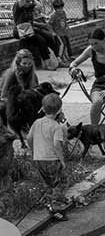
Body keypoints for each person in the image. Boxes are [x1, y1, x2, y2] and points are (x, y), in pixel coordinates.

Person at [69, 28, 105, 143]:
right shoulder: (90, 50)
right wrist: (73, 69)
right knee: (97, 102)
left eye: (96, 43)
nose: (94, 46)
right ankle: (93, 134)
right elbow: (74, 62)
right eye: (91, 44)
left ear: (104, 40)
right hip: (99, 84)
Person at [26, 92, 69, 220]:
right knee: (61, 182)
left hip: (39, 158)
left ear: (43, 108)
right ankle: (56, 208)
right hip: (52, 159)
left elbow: (29, 138)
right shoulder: (56, 127)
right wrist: (62, 160)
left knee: (48, 182)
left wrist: (34, 151)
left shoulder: (37, 122)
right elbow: (57, 145)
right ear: (60, 110)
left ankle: (49, 202)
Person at [12, 0, 51, 66]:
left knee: (42, 40)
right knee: (26, 42)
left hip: (29, 31)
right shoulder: (18, 6)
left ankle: (47, 63)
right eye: (27, 1)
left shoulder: (29, 6)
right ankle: (18, 63)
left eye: (30, 1)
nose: (29, 3)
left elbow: (39, 6)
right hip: (19, 31)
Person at [48, 0, 71, 64]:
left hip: (63, 32)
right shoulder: (53, 15)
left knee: (65, 45)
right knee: (62, 44)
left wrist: (67, 26)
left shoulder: (63, 13)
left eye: (61, 8)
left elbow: (65, 20)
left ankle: (66, 57)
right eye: (58, 8)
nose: (60, 10)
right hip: (58, 33)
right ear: (55, 8)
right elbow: (49, 24)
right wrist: (52, 32)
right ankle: (59, 58)